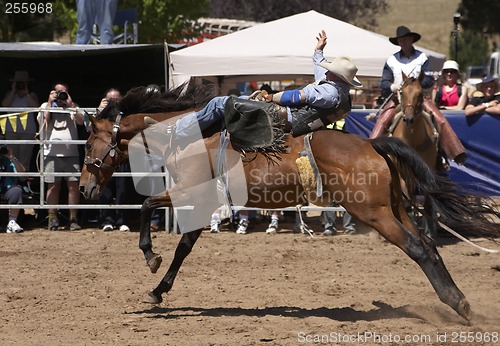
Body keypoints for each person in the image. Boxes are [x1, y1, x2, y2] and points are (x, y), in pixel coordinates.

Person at [173, 30, 361, 148]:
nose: (328, 71)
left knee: (219, 103)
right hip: (292, 116)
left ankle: (177, 132)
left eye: (332, 70)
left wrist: (272, 97)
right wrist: (319, 50)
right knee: (240, 101)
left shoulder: (329, 92)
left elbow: (298, 96)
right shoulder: (338, 91)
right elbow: (320, 68)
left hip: (285, 116)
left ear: (336, 75)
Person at [370, 25, 466, 165]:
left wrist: (417, 84)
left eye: (406, 39)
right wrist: (393, 86)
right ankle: (372, 153)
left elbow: (427, 79)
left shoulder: (422, 57)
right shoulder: (392, 60)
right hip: (398, 98)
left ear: (411, 40)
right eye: (401, 40)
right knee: (382, 121)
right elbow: (384, 81)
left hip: (419, 97)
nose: (404, 42)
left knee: (440, 120)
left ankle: (450, 154)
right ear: (398, 42)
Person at [37, 83, 84, 231]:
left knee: (73, 186)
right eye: (58, 92)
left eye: (63, 92)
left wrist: (70, 105)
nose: (60, 94)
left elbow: (81, 121)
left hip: (71, 153)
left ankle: (73, 219)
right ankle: (52, 218)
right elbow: (42, 121)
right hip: (50, 153)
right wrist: (50, 103)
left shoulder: (73, 106)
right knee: (52, 186)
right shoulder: (46, 105)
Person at [96, 88, 135, 232]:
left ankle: (122, 220)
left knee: (123, 188)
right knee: (105, 188)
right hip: (105, 156)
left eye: (116, 99)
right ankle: (107, 220)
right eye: (110, 100)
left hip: (122, 155)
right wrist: (99, 110)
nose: (113, 102)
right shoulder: (100, 114)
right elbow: (91, 129)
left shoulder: (127, 113)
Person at [1, 71, 40, 171]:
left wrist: (26, 93)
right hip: (11, 130)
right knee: (11, 156)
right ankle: (12, 180)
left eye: (23, 83)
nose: (20, 85)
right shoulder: (10, 94)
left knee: (24, 159)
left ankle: (23, 181)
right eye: (18, 82)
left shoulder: (32, 95)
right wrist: (14, 90)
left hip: (28, 131)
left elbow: (36, 107)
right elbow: (5, 105)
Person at [0, 146, 25, 233]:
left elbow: (22, 173)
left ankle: (12, 223)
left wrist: (12, 157)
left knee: (16, 191)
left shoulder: (8, 160)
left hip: (7, 188)